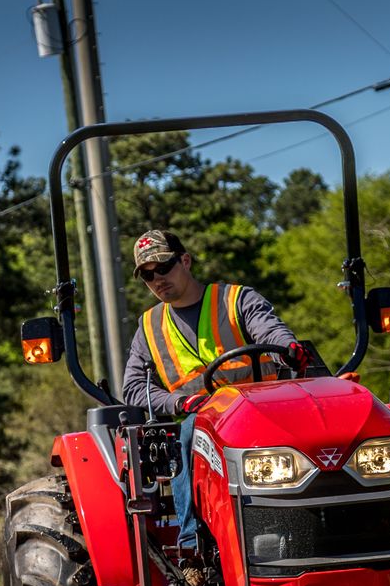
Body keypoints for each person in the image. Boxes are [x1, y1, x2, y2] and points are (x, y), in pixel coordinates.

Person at [121, 229, 312, 562]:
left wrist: (288, 349)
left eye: (163, 268)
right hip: (201, 421)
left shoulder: (236, 300)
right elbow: (134, 387)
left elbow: (269, 330)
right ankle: (193, 547)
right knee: (187, 432)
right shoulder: (149, 327)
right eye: (147, 276)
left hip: (260, 411)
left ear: (185, 260)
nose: (157, 280)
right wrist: (178, 403)